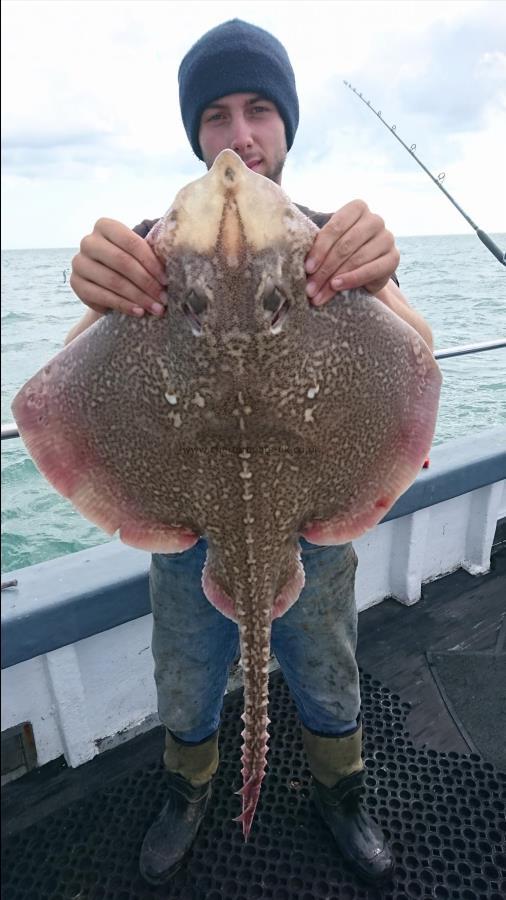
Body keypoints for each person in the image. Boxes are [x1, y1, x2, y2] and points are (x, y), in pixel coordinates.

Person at [67, 19, 433, 887]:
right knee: (187, 677)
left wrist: (379, 277)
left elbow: (415, 354)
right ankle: (187, 793)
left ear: (286, 125)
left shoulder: (328, 247)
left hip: (311, 518)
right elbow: (67, 385)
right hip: (189, 530)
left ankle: (341, 795)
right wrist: (93, 284)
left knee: (326, 669)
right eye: (217, 118)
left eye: (259, 112)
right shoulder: (157, 249)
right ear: (197, 136)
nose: (238, 143)